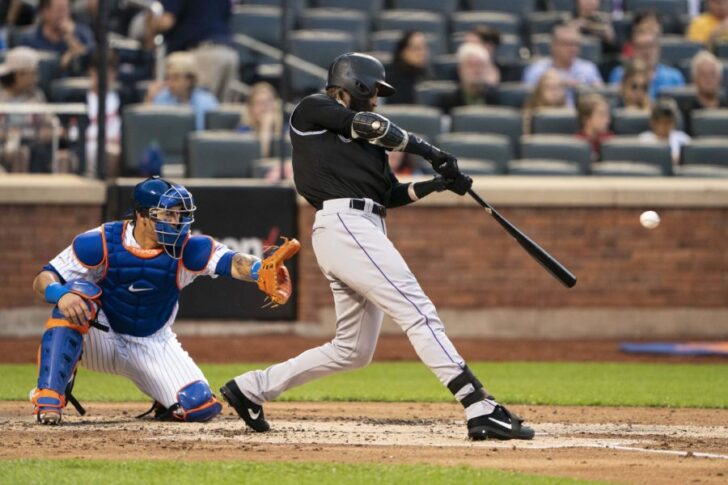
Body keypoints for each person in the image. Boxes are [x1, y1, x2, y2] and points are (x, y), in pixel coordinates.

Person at [220, 52, 535, 442]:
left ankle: (250, 388)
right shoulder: (313, 110)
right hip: (345, 225)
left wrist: (438, 184)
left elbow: (389, 194)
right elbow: (368, 123)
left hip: (361, 228)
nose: (376, 100)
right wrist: (432, 153)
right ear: (356, 86)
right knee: (417, 310)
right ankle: (478, 406)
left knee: (352, 350)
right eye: (373, 92)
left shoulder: (370, 148)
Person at [29, 176, 295, 425]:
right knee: (75, 294)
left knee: (200, 406)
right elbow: (44, 279)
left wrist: (260, 271)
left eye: (180, 215)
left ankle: (162, 395)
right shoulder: (100, 241)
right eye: (168, 214)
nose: (177, 222)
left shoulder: (187, 248)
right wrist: (60, 294)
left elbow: (232, 262)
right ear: (142, 215)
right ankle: (50, 396)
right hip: (101, 336)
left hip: (151, 342)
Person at [145, 0, 238, 101]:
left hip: (205, 54)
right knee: (219, 111)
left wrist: (150, 25)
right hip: (229, 53)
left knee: (201, 105)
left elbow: (166, 21)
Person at [0, 46, 56, 173]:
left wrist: (35, 134)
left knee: (23, 153)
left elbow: (52, 127)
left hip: (31, 150)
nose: (36, 78)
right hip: (2, 148)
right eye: (33, 73)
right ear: (18, 75)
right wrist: (10, 135)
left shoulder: (37, 96)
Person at [523, 22, 603, 106]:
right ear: (553, 46)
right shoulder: (537, 70)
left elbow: (599, 98)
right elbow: (531, 102)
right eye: (567, 44)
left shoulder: (588, 69)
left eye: (576, 44)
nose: (572, 49)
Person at [17, 0, 95, 76]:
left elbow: (89, 60)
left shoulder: (82, 33)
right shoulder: (28, 38)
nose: (64, 14)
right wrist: (61, 62)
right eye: (59, 10)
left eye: (66, 9)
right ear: (44, 12)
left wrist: (71, 38)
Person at [145, 51, 219, 131]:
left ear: (190, 80)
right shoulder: (161, 98)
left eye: (176, 78)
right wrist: (149, 100)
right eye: (168, 78)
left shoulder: (206, 102)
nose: (170, 83)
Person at [609, 28, 685, 100]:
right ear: (633, 50)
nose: (646, 52)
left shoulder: (674, 76)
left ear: (658, 48)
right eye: (641, 47)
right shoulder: (619, 74)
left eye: (650, 46)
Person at [439, 42, 498, 114]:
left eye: (480, 65)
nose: (476, 70)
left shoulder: (497, 99)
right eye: (470, 65)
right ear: (460, 70)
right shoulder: (446, 102)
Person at [238, 82, 284, 159]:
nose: (264, 107)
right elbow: (261, 159)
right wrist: (266, 126)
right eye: (259, 103)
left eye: (268, 102)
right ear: (251, 108)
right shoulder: (243, 130)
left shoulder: (286, 129)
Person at [385, 31, 432, 105]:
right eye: (417, 48)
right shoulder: (390, 79)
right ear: (403, 51)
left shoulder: (428, 75)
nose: (423, 53)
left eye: (425, 48)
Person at [639, 99, 691, 164]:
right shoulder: (644, 140)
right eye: (663, 122)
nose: (666, 127)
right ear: (653, 123)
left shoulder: (683, 139)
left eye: (669, 122)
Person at [522, 68, 568, 135]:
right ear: (540, 90)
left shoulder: (570, 115)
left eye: (558, 87)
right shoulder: (528, 115)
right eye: (549, 87)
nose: (554, 92)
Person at [575, 93, 613, 162]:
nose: (607, 120)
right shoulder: (576, 145)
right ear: (586, 119)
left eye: (607, 115)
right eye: (602, 115)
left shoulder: (611, 141)